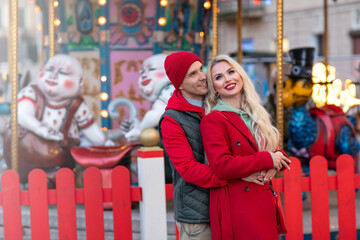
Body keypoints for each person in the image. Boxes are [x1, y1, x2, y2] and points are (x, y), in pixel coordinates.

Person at [200, 55, 291, 240]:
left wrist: (276, 162)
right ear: (214, 88)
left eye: (231, 72)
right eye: (219, 77)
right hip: (238, 205)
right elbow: (221, 166)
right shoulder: (214, 119)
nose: (228, 79)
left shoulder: (256, 112)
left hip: (263, 199)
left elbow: (276, 148)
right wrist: (267, 159)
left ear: (240, 75)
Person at [159, 51, 227, 239]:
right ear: (179, 84)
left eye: (201, 69)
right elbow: (188, 169)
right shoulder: (172, 120)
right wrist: (233, 176)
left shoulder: (218, 103)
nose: (203, 76)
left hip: (227, 205)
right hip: (197, 215)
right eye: (192, 74)